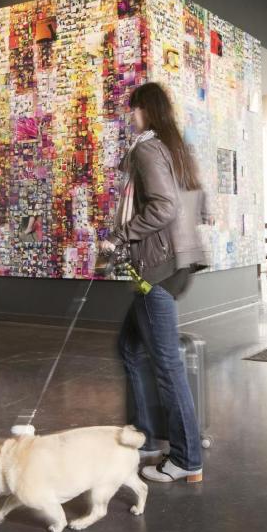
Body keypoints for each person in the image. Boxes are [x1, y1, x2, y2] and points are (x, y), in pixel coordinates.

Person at [99, 82, 208, 484]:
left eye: (133, 109)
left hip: (157, 269)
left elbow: (164, 206)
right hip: (178, 262)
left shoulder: (147, 150)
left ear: (145, 110)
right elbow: (197, 203)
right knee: (129, 347)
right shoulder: (175, 148)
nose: (131, 116)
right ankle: (144, 437)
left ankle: (186, 459)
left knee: (167, 365)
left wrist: (120, 235)